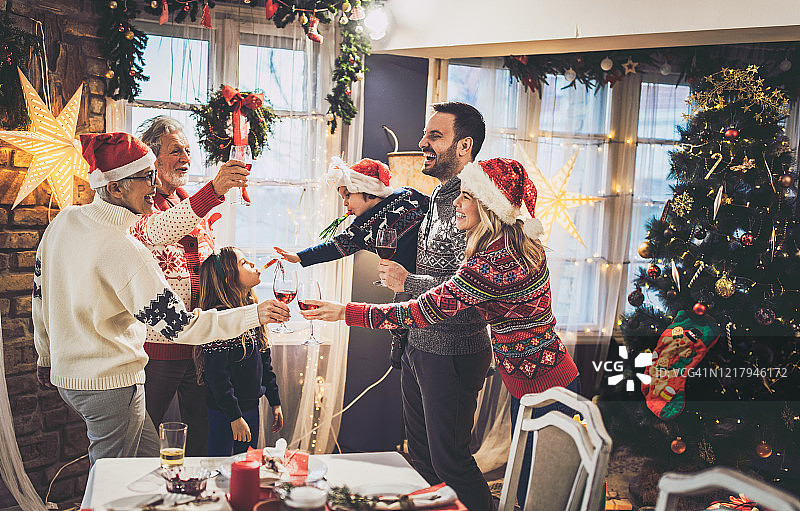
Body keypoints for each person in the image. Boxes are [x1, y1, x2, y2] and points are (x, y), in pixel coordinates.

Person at [302, 157, 580, 509]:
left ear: (488, 205)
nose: (457, 204)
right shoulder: (510, 245)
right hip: (535, 377)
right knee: (532, 483)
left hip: (543, 384)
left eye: (466, 197)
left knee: (545, 492)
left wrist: (346, 312)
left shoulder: (493, 261)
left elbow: (423, 311)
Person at [32, 132, 291, 467]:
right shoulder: (125, 249)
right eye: (145, 177)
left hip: (70, 379)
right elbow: (181, 327)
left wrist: (45, 355)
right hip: (110, 386)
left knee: (150, 466)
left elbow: (40, 293)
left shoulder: (65, 220)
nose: (154, 185)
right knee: (112, 480)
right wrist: (253, 314)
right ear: (114, 187)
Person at [356, 102, 495, 510]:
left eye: (435, 136)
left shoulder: (476, 204)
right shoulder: (437, 196)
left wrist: (405, 281)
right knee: (423, 463)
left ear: (465, 145)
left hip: (453, 353)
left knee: (450, 463)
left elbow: (469, 292)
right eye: (425, 135)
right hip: (420, 345)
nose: (422, 144)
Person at [131, 116, 249, 457]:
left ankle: (196, 497)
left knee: (201, 429)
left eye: (187, 150)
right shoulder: (141, 202)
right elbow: (158, 231)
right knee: (144, 431)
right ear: (153, 158)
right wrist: (213, 191)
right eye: (174, 151)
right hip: (160, 344)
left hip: (199, 341)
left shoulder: (182, 199)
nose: (185, 157)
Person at [274, 157, 429, 368]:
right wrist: (300, 257)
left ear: (365, 188)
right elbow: (334, 248)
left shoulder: (408, 195)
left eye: (347, 195)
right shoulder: (360, 228)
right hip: (405, 278)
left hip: (430, 267)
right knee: (401, 307)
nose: (345, 203)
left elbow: (434, 208)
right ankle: (399, 343)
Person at [194, 246, 284, 456]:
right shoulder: (220, 320)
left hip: (251, 408)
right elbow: (217, 376)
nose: (252, 264)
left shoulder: (253, 312)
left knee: (248, 463)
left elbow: (265, 362)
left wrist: (275, 401)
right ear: (229, 278)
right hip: (224, 413)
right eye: (243, 263)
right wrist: (234, 417)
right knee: (221, 465)